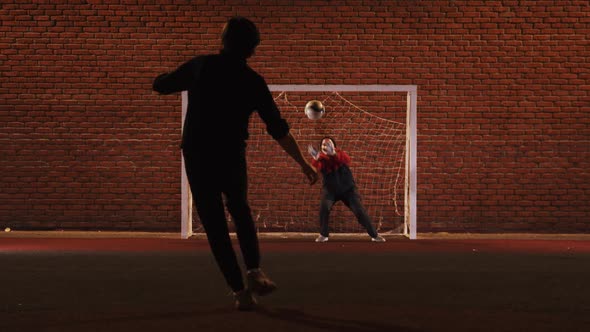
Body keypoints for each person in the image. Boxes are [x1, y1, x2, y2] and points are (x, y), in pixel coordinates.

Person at [153, 17, 318, 311]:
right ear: (251, 49)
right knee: (240, 209)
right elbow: (278, 129)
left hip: (198, 154)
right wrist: (303, 164)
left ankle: (240, 291)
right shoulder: (253, 81)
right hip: (230, 154)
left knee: (215, 225)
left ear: (224, 40)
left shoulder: (201, 66)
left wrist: (169, 76)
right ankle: (254, 270)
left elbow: (161, 85)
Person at [308, 137, 386, 243]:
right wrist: (316, 159)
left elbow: (345, 160)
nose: (325, 146)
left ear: (334, 146)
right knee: (324, 209)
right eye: (323, 145)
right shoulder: (320, 158)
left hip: (348, 190)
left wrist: (333, 154)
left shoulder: (341, 154)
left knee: (359, 211)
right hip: (330, 191)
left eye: (328, 144)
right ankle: (323, 234)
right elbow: (316, 169)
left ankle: (374, 235)